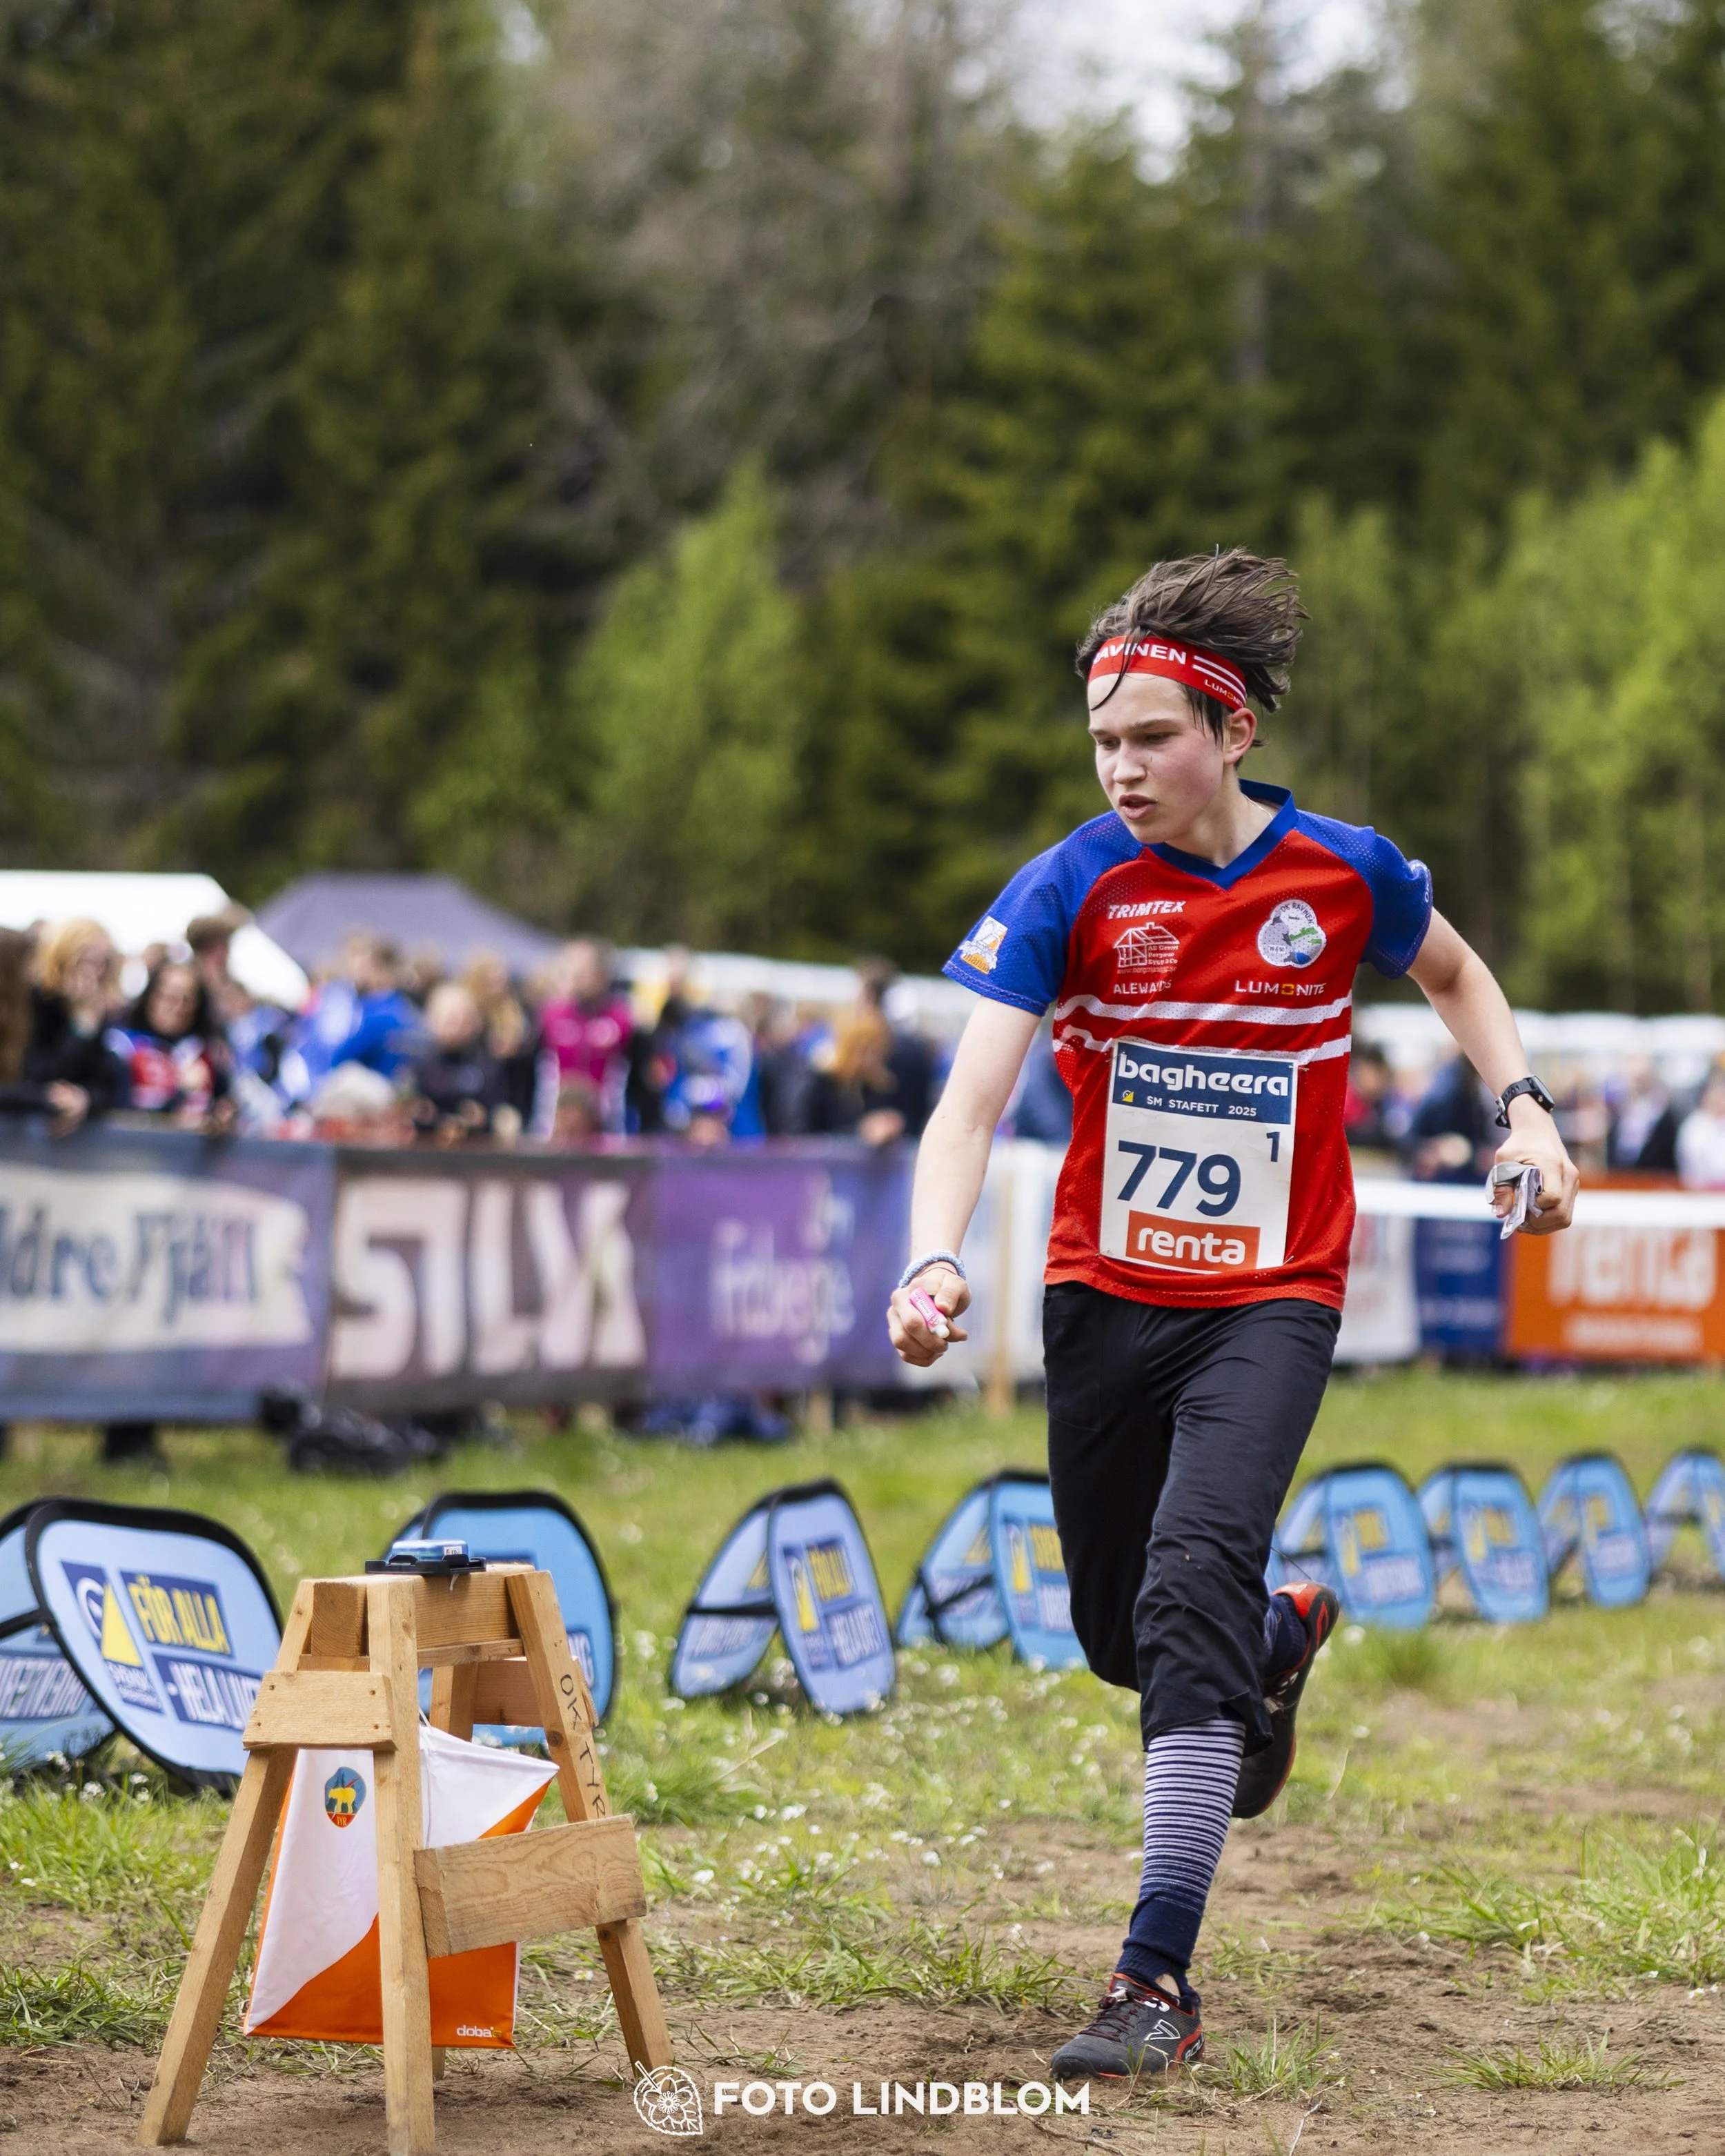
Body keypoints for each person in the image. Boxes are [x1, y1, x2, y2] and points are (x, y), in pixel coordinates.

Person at [884, 549, 1578, 2084]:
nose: (1121, 767)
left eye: (1151, 738)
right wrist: (931, 1262)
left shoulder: (1342, 871)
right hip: (1100, 1292)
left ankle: (1153, 1976)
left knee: (1186, 1583)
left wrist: (1522, 1107)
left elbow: (1458, 977)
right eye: (1102, 742)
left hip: (1269, 1296)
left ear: (1235, 729)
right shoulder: (1068, 883)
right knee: (1121, 1631)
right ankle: (1275, 1637)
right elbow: (966, 1105)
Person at [106, 958, 235, 1129]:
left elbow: (224, 1103)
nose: (178, 1007)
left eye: (187, 999)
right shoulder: (121, 1046)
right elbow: (122, 1110)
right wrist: (181, 1092)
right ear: (151, 996)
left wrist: (221, 1116)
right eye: (169, 996)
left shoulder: (203, 1053)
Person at [26, 918, 129, 1118]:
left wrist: (86, 1098)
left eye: (103, 963)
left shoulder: (98, 1011)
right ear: (63, 957)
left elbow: (109, 1083)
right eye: (86, 959)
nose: (94, 971)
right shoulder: (34, 1002)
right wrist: (81, 1027)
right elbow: (39, 1075)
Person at [538, 938, 634, 1132]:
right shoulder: (550, 1015)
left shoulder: (622, 1019)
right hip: (556, 1127)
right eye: (570, 967)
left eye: (582, 969)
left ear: (602, 974)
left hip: (606, 1127)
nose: (574, 975)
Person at [409, 982, 504, 1142]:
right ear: (432, 1019)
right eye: (451, 1020)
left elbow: (496, 1111)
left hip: (476, 1151)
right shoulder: (418, 1064)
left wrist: (482, 1119)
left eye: (465, 1019)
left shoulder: (488, 1065)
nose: (458, 1027)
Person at [1677, 1067, 1725, 1187]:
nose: (1719, 1100)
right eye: (1715, 1094)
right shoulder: (1694, 1125)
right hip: (1699, 1188)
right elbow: (1688, 1159)